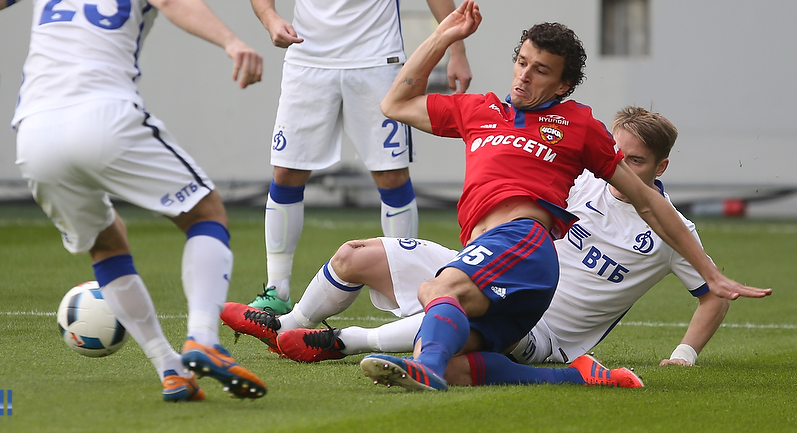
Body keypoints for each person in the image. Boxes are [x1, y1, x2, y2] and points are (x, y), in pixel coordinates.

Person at [0, 0, 267, 403]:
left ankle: (170, 369)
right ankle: (204, 338)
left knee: (106, 242)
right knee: (206, 213)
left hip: (34, 132)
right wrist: (231, 41)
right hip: (105, 115)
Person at [354, 0, 768, 391]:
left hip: (523, 246)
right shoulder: (484, 111)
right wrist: (443, 37)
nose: (524, 76)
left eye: (540, 70)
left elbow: (648, 201)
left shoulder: (578, 126)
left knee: (437, 290)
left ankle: (393, 358)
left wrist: (710, 276)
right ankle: (575, 378)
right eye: (521, 63)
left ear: (563, 84)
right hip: (503, 264)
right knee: (453, 358)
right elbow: (394, 104)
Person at [222, 107, 730, 387]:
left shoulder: (672, 231)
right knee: (356, 256)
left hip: (541, 330)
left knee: (451, 327)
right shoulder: (580, 182)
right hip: (495, 267)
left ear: (661, 167)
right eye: (617, 154)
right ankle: (289, 326)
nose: (622, 168)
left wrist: (684, 355)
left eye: (636, 161)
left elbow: (714, 295)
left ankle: (345, 341)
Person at [245, 0, 472, 315]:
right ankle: (277, 288)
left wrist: (456, 48)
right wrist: (271, 20)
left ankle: (409, 295)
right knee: (286, 173)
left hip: (378, 66)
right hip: (308, 64)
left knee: (391, 177)